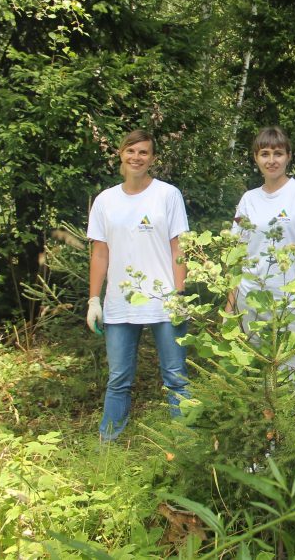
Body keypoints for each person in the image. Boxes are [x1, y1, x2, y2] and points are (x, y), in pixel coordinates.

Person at [86, 129, 190, 442]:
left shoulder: (167, 195)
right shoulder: (106, 201)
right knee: (118, 379)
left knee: (176, 378)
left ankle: (187, 445)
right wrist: (94, 300)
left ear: (153, 158)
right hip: (119, 303)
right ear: (121, 154)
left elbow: (179, 248)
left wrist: (180, 295)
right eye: (131, 151)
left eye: (144, 152)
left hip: (164, 302)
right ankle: (107, 446)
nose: (137, 157)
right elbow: (100, 254)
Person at [228, 127, 295, 365]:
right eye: (264, 153)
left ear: (288, 156)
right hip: (250, 302)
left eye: (278, 153)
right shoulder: (248, 200)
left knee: (294, 380)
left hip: (292, 303)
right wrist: (230, 308)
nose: (271, 160)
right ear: (255, 157)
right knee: (258, 379)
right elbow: (237, 257)